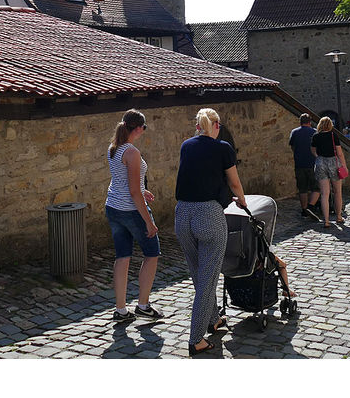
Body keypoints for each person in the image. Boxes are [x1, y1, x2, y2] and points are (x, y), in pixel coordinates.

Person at [174, 108, 247, 357]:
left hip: (182, 214)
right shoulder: (223, 148)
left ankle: (213, 318)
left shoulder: (186, 146)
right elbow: (234, 183)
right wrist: (243, 200)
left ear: (197, 126)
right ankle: (196, 339)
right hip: (208, 215)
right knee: (208, 278)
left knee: (199, 273)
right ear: (215, 126)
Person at [105, 109, 163, 322]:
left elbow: (122, 180)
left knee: (122, 256)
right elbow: (132, 191)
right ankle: (143, 305)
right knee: (152, 253)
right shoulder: (132, 152)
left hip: (113, 207)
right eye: (144, 128)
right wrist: (148, 222)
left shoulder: (114, 148)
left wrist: (142, 189)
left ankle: (120, 310)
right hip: (131, 210)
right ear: (138, 128)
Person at [311, 116, 346, 228]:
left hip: (320, 163)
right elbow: (339, 153)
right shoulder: (333, 135)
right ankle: (339, 216)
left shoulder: (315, 136)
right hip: (333, 163)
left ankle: (326, 220)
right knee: (337, 191)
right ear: (330, 125)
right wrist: (344, 166)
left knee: (324, 194)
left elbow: (313, 150)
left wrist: (318, 157)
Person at [289, 113, 320, 218]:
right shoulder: (315, 132)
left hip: (299, 164)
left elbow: (292, 147)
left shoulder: (294, 132)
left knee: (302, 189)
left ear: (300, 121)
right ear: (310, 122)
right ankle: (311, 207)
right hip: (313, 164)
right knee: (316, 188)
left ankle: (304, 210)